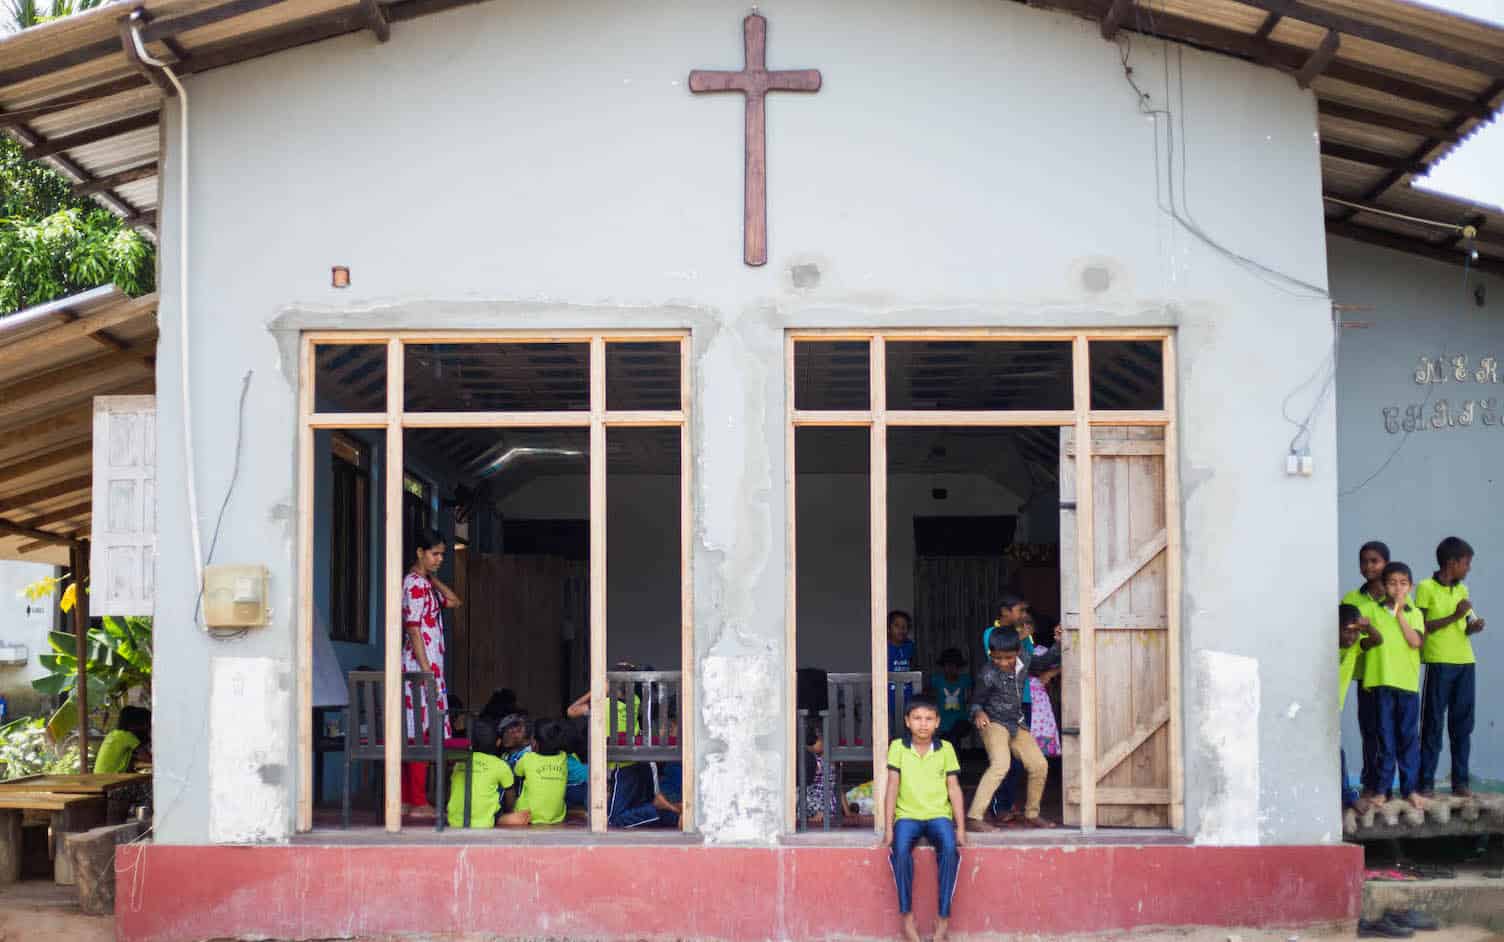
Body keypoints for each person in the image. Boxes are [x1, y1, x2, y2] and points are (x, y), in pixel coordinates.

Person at [881, 695, 966, 942]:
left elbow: (954, 788)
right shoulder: (897, 747)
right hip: (907, 816)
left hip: (939, 815)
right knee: (900, 851)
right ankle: (907, 919)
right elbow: (892, 787)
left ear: (938, 722)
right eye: (917, 718)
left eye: (929, 719)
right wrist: (888, 828)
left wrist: (960, 828)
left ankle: (943, 920)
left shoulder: (946, 749)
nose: (923, 724)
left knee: (950, 850)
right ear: (907, 721)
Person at [1417, 536, 1486, 798]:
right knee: (1433, 723)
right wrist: (1455, 616)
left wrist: (1471, 626)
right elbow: (1422, 627)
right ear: (1451, 562)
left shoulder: (1462, 590)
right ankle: (1425, 784)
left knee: (1463, 725)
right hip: (1439, 661)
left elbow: (1463, 626)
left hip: (1466, 662)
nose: (1468, 568)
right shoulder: (1425, 587)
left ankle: (1461, 782)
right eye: (1466, 563)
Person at [400, 528, 462, 819]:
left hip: (429, 669)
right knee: (419, 735)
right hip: (420, 668)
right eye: (434, 554)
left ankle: (410, 800)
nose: (439, 559)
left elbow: (454, 601)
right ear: (419, 553)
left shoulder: (424, 584)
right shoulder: (412, 584)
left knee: (420, 732)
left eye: (441, 555)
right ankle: (416, 800)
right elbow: (413, 629)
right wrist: (426, 673)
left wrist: (433, 578)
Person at [967, 631, 1053, 830]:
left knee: (1039, 764)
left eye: (1008, 658)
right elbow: (975, 701)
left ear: (1018, 652)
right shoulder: (987, 673)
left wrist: (1057, 643)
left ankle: (1032, 814)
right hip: (993, 722)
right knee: (1001, 764)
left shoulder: (1025, 659)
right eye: (997, 658)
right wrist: (978, 713)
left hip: (1016, 722)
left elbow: (1046, 661)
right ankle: (974, 817)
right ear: (990, 653)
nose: (1003, 662)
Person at [1361, 561, 1427, 810]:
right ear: (1383, 586)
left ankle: (1410, 789)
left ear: (1410, 586)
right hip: (1380, 682)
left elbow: (1415, 642)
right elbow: (1364, 643)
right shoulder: (1373, 612)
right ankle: (1383, 790)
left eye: (1403, 583)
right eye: (1391, 583)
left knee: (1408, 738)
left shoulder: (1415, 613)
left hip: (1407, 684)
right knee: (1385, 739)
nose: (1398, 588)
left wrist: (1400, 613)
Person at [1342, 541, 1390, 798]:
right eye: (1364, 561)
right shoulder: (1351, 599)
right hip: (1365, 675)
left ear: (1386, 564)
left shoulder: (1396, 599)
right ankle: (1370, 784)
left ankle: (1386, 787)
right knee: (1369, 729)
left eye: (1375, 561)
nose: (1368, 566)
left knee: (1389, 733)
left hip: (1391, 675)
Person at [446, 715, 530, 829]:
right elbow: (511, 798)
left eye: (517, 730)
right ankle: (503, 818)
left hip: (454, 821)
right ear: (498, 742)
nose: (511, 733)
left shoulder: (460, 762)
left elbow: (451, 790)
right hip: (484, 822)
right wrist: (509, 811)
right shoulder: (500, 764)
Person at [1338, 603, 1382, 815]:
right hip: (1318, 708)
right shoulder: (1327, 645)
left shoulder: (1355, 646)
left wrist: (1368, 628)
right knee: (1337, 753)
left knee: (1336, 752)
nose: (1351, 637)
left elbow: (1377, 640)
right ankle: (1348, 796)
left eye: (1355, 632)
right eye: (1347, 631)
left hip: (1333, 708)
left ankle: (1345, 795)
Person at [513, 718, 571, 826]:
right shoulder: (563, 758)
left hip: (526, 815)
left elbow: (516, 772)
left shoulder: (527, 758)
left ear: (534, 743)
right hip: (557, 816)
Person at [930, 649, 973, 752]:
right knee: (945, 741)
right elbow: (926, 697)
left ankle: (953, 764)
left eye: (954, 666)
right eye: (948, 665)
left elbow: (973, 697)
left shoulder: (965, 680)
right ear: (943, 667)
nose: (951, 669)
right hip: (941, 721)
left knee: (953, 737)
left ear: (959, 667)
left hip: (961, 720)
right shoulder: (936, 680)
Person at [801, 720, 843, 825]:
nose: (824, 742)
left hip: (819, 804)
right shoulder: (828, 760)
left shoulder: (817, 761)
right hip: (830, 805)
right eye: (821, 740)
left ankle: (819, 814)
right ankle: (820, 813)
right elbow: (838, 788)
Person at [94, 706, 150, 774]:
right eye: (145, 724)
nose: (146, 727)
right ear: (137, 724)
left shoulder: (113, 734)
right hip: (111, 778)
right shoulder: (128, 737)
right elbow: (147, 758)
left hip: (99, 775)